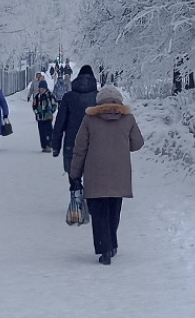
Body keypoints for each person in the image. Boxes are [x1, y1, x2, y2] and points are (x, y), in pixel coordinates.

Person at [69, 86, 144, 265]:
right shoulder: (128, 119)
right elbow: (138, 143)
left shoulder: (90, 119)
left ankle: (105, 248)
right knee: (113, 210)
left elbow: (80, 149)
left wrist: (75, 174)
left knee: (99, 212)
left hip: (95, 174)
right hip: (120, 174)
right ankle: (112, 244)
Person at [52, 65, 98, 187]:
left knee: (73, 174)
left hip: (72, 143)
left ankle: (76, 196)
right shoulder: (99, 98)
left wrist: (56, 146)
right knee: (93, 174)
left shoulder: (68, 97)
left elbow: (59, 124)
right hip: (95, 143)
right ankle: (90, 200)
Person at [32, 80, 57, 152]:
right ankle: (44, 146)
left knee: (48, 131)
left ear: (46, 88)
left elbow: (54, 105)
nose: (41, 90)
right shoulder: (37, 97)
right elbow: (34, 106)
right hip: (40, 118)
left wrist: (51, 112)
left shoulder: (50, 96)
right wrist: (37, 112)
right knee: (42, 132)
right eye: (40, 88)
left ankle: (49, 144)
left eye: (43, 89)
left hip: (48, 117)